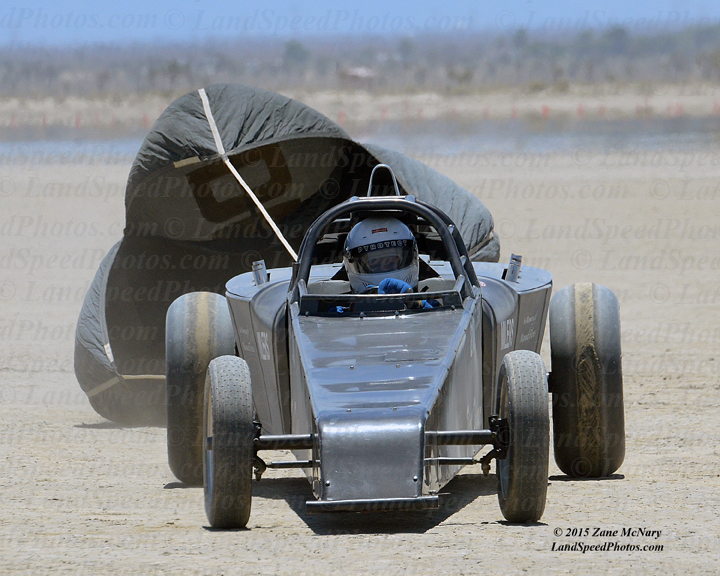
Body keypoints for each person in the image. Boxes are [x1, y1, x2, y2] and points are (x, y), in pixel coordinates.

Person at [340, 216, 437, 309]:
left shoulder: (430, 305)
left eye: (391, 262)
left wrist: (415, 305)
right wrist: (353, 309)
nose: (385, 267)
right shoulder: (338, 313)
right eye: (375, 264)